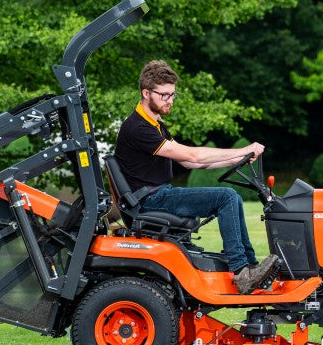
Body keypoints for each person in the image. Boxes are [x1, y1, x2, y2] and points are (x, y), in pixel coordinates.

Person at [113, 60, 279, 293]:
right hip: (149, 200)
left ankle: (251, 267)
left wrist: (237, 160)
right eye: (164, 95)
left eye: (173, 95)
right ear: (146, 92)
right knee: (227, 197)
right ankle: (242, 272)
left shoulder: (154, 124)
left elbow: (189, 161)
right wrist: (242, 150)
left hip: (158, 194)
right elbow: (192, 155)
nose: (170, 100)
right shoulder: (138, 128)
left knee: (234, 198)